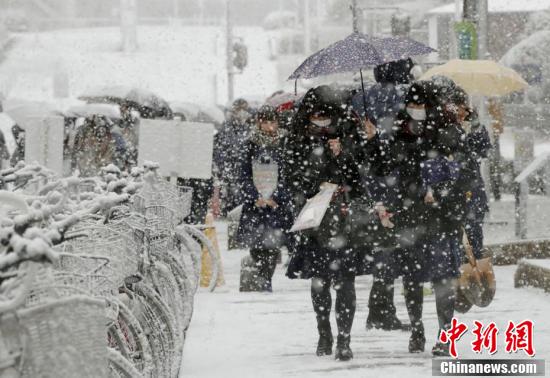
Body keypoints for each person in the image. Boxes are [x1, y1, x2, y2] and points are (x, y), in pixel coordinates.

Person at [285, 86, 370, 361]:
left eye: (326, 116)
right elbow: (291, 179)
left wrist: (342, 156)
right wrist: (316, 186)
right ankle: (324, 332)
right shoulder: (297, 141)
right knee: (320, 282)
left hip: (344, 222)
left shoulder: (347, 138)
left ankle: (344, 339)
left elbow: (361, 180)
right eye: (316, 116)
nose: (322, 121)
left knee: (346, 282)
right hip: (315, 223)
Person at [236, 105, 293, 292]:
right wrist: (255, 197)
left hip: (276, 205)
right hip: (256, 205)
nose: (269, 126)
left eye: (272, 122)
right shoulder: (250, 144)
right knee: (257, 245)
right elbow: (243, 175)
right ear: (259, 123)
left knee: (273, 245)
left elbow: (290, 175)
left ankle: (265, 280)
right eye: (265, 122)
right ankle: (261, 277)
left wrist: (277, 196)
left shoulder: (285, 143)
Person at [213, 98, 253, 215]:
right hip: (230, 168)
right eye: (241, 109)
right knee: (233, 195)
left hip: (243, 169)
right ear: (235, 111)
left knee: (241, 196)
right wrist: (224, 165)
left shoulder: (248, 127)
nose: (243, 113)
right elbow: (220, 149)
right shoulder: (227, 127)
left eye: (245, 110)